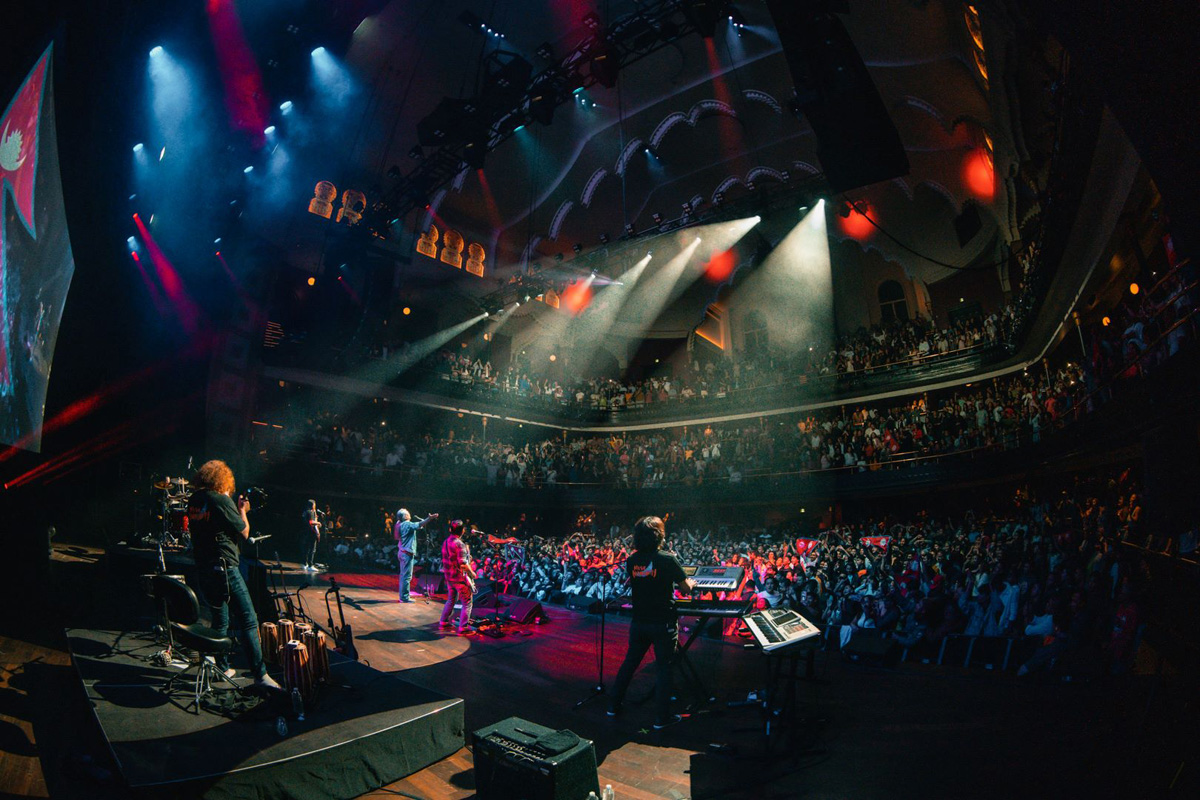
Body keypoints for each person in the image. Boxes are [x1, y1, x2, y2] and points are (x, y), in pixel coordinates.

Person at [187, 459, 280, 690]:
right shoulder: (220, 499)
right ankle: (260, 676)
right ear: (223, 480)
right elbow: (244, 532)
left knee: (220, 618)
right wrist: (242, 510)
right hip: (225, 567)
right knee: (249, 620)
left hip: (204, 567)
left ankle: (221, 667)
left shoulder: (195, 500)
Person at [607, 515, 695, 729]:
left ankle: (612, 707)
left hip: (639, 621)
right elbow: (684, 589)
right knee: (664, 668)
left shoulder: (632, 560)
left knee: (630, 663)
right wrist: (691, 582)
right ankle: (661, 719)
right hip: (662, 621)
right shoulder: (667, 559)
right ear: (660, 536)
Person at [439, 520, 477, 634]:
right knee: (467, 602)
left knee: (451, 599)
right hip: (459, 579)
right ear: (462, 531)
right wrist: (472, 573)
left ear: (451, 529)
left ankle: (443, 621)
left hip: (449, 578)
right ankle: (463, 628)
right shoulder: (459, 544)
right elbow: (463, 564)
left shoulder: (446, 542)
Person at [394, 508, 438, 603]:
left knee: (403, 576)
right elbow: (419, 524)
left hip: (402, 552)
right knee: (407, 577)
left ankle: (403, 596)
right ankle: (404, 598)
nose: (409, 514)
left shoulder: (399, 524)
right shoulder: (407, 524)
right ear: (405, 516)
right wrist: (429, 518)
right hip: (407, 553)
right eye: (407, 513)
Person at [302, 499, 321, 572]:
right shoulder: (310, 512)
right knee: (312, 549)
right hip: (311, 532)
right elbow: (311, 522)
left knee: (306, 548)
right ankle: (310, 565)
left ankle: (305, 563)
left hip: (306, 532)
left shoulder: (306, 512)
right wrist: (318, 523)